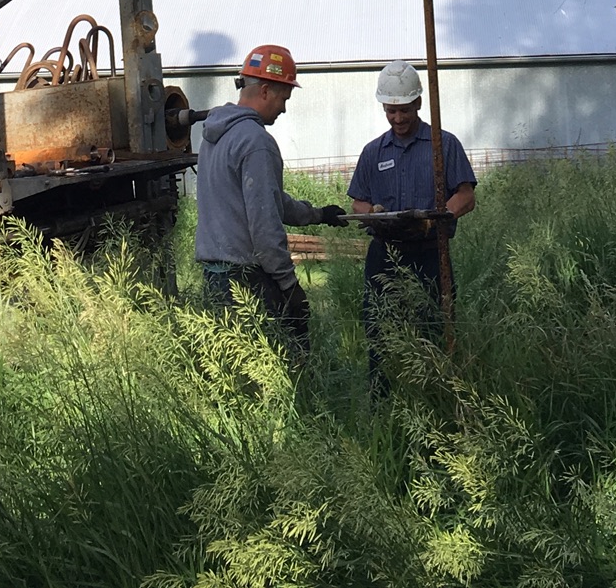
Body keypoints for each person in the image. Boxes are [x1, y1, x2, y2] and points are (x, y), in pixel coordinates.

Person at [194, 42, 346, 357]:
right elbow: (264, 224)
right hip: (246, 280)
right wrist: (289, 285)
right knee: (285, 360)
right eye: (283, 98)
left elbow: (268, 200)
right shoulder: (256, 141)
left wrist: (317, 214)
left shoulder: (214, 137)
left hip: (214, 276)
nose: (284, 108)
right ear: (265, 91)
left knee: (231, 368)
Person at [348, 60, 476, 387]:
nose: (398, 118)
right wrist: (373, 212)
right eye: (391, 111)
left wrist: (437, 219)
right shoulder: (373, 152)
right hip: (385, 257)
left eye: (404, 110)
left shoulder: (443, 145)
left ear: (418, 103)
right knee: (380, 330)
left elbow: (465, 196)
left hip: (431, 253)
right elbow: (357, 202)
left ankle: (435, 393)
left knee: (434, 327)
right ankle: (382, 398)